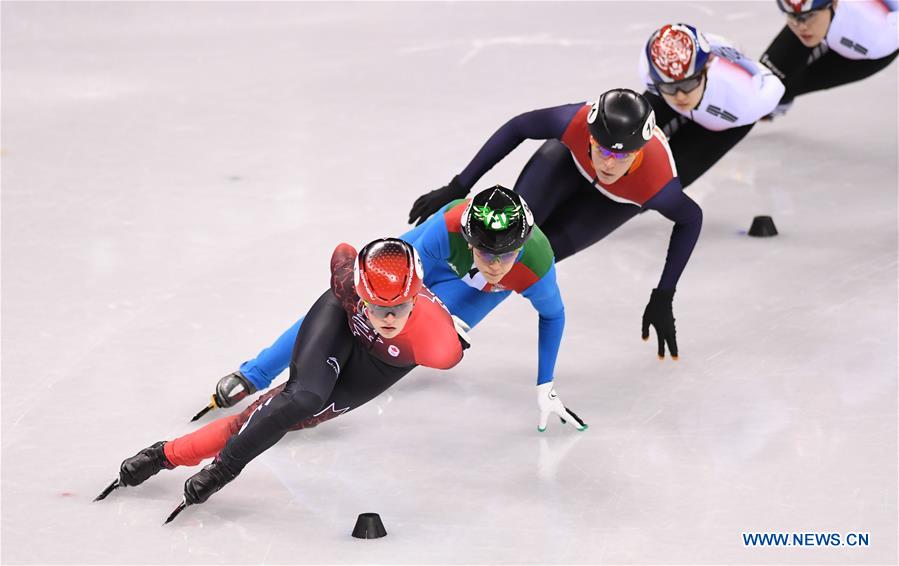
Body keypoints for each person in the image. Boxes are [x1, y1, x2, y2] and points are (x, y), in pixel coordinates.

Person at [96, 238, 468, 514]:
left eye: (399, 307)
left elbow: (455, 345)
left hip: (378, 366)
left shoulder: (438, 345)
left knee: (271, 417)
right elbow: (342, 252)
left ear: (417, 296)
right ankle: (217, 469)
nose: (388, 318)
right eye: (376, 306)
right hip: (340, 322)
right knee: (300, 399)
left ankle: (165, 454)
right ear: (360, 292)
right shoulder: (348, 287)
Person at [207, 186, 584, 433]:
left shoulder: (536, 265)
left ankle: (310, 405)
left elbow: (553, 315)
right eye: (486, 252)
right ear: (469, 240)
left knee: (405, 342)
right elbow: (396, 291)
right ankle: (254, 373)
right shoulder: (449, 227)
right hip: (429, 259)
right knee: (351, 303)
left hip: (477, 293)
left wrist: (545, 384)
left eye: (508, 254)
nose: (497, 264)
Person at [407, 89, 703, 359]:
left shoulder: (658, 185)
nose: (609, 164)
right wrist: (458, 186)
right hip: (568, 163)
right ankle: (426, 270)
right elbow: (519, 127)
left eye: (622, 155)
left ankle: (455, 313)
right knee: (507, 233)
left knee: (530, 257)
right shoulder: (573, 121)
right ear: (590, 135)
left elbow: (691, 220)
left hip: (615, 201)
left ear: (638, 152)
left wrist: (664, 293)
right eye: (603, 149)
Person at [639, 23, 786, 188]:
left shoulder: (743, 100)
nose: (680, 95)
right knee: (621, 142)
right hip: (686, 94)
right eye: (669, 86)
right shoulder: (650, 73)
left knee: (660, 186)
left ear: (706, 69)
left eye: (689, 84)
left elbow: (777, 87)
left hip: (721, 125)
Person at [760, 0, 898, 118]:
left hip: (866, 56)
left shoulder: (879, 34)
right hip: (831, 23)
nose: (801, 26)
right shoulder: (810, 16)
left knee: (785, 89)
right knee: (765, 87)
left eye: (810, 15)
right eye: (792, 16)